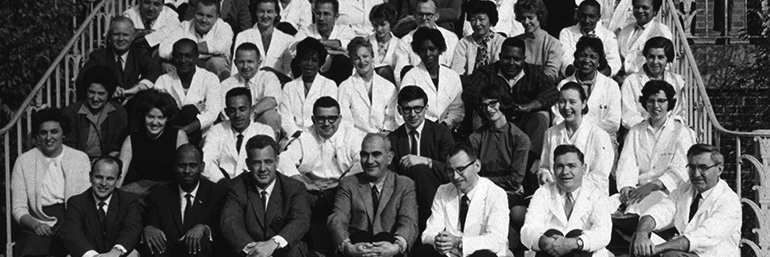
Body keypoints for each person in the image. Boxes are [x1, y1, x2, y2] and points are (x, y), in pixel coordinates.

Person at [463, 37, 559, 172]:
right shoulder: (487, 71)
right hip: (494, 122)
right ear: (500, 56)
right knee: (478, 114)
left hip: (523, 121)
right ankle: (485, 163)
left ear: (524, 58)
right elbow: (470, 94)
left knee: (542, 116)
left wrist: (530, 106)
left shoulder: (534, 72)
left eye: (517, 59)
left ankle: (526, 164)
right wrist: (497, 105)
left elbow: (552, 93)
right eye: (507, 58)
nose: (511, 63)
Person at [630, 144, 741, 257]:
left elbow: (699, 238)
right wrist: (642, 234)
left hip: (709, 254)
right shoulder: (686, 188)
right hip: (687, 251)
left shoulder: (729, 201)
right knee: (639, 242)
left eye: (703, 168)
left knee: (671, 255)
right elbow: (661, 211)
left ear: (719, 170)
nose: (696, 174)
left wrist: (656, 249)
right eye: (692, 168)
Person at [11, 108, 92, 257]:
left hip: (72, 218)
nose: (49, 137)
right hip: (38, 219)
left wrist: (71, 222)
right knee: (32, 247)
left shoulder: (80, 158)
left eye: (54, 131)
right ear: (37, 135)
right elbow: (18, 207)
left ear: (64, 133)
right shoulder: (24, 161)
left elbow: (86, 201)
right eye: (43, 132)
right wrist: (35, 225)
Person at [278, 97, 364, 231]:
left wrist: (340, 183)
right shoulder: (306, 136)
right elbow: (284, 160)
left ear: (340, 118)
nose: (326, 123)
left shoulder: (352, 135)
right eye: (321, 119)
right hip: (313, 190)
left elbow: (361, 162)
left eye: (332, 118)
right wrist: (305, 184)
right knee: (296, 197)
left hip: (343, 188)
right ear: (313, 119)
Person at [327, 133, 419, 257]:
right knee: (360, 236)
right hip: (358, 250)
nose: (370, 161)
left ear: (389, 158)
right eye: (365, 155)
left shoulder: (404, 184)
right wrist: (348, 246)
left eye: (376, 154)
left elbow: (409, 221)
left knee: (385, 237)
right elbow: (337, 218)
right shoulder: (349, 183)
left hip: (389, 251)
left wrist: (396, 247)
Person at [220, 135, 313, 257]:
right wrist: (256, 253)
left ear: (277, 161)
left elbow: (300, 221)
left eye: (268, 162)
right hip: (249, 251)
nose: (263, 169)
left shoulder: (294, 188)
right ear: (248, 164)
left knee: (296, 249)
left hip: (281, 250)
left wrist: (272, 244)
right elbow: (230, 223)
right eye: (256, 163)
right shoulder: (237, 187)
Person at [615, 80, 696, 214]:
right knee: (607, 206)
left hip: (667, 191)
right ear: (645, 103)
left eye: (661, 101)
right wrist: (626, 185)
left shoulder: (682, 132)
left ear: (669, 103)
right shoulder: (636, 131)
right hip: (637, 190)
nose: (655, 106)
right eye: (651, 101)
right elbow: (627, 161)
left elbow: (681, 168)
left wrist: (654, 185)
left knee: (639, 211)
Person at [467, 85, 531, 250]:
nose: (489, 109)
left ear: (502, 102)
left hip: (510, 196)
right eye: (484, 105)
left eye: (493, 103)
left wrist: (484, 181)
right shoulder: (475, 138)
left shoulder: (520, 139)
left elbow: (515, 181)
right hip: (482, 194)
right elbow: (471, 177)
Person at [419, 143, 510, 257]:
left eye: (461, 169)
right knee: (423, 251)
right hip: (450, 253)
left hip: (479, 253)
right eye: (450, 171)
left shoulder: (496, 193)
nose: (455, 177)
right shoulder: (443, 190)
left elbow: (496, 240)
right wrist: (440, 241)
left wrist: (459, 242)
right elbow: (428, 233)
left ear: (477, 166)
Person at [521, 145, 612, 257]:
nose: (565, 172)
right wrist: (543, 241)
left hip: (583, 254)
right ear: (553, 169)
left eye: (571, 166)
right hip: (550, 253)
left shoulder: (596, 193)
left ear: (584, 169)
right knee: (551, 234)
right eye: (560, 166)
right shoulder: (543, 192)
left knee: (576, 236)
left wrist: (574, 243)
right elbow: (527, 230)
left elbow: (603, 233)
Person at [142, 144, 229, 257]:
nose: (187, 171)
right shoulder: (158, 195)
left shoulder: (218, 194)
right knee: (154, 244)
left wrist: (204, 228)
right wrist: (148, 228)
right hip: (167, 252)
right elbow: (151, 226)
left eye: (192, 165)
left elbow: (223, 232)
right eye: (182, 165)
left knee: (200, 242)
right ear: (174, 166)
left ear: (202, 167)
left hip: (200, 253)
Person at [387, 86, 454, 230]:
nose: (413, 114)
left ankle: (433, 227)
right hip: (405, 198)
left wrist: (426, 161)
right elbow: (390, 177)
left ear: (426, 108)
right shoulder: (392, 139)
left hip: (436, 194)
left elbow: (451, 173)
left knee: (419, 170)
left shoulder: (441, 133)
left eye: (418, 108)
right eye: (407, 109)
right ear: (399, 110)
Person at [539, 83, 614, 194]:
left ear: (583, 104)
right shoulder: (551, 133)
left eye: (572, 102)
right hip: (555, 195)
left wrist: (568, 187)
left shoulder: (599, 135)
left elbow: (599, 177)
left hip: (588, 197)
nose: (566, 107)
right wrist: (544, 174)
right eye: (562, 102)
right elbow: (544, 166)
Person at [61, 157, 143, 257]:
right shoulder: (77, 202)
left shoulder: (128, 200)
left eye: (110, 178)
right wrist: (93, 256)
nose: (103, 183)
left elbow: (132, 230)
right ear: (90, 176)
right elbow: (72, 234)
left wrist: (114, 253)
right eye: (99, 177)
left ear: (118, 180)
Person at [154, 39, 223, 144]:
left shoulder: (210, 78)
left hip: (201, 135)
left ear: (197, 56)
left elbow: (212, 112)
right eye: (178, 56)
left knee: (189, 110)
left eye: (188, 56)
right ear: (173, 57)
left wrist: (186, 130)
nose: (183, 60)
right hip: (171, 133)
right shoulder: (163, 80)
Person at [554, 37, 621, 143]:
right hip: (569, 138)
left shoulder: (611, 86)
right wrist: (576, 135)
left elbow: (613, 122)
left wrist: (586, 134)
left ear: (599, 61)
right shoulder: (564, 84)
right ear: (576, 58)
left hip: (601, 140)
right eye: (582, 56)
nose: (586, 61)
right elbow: (558, 118)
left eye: (593, 57)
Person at [118, 90, 189, 191]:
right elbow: (120, 175)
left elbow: (185, 172)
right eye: (150, 117)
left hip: (168, 191)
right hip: (140, 191)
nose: (155, 122)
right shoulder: (131, 139)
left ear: (167, 118)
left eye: (160, 117)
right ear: (143, 116)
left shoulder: (178, 136)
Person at [202, 88, 276, 183]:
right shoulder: (217, 130)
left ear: (251, 109)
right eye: (232, 110)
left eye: (242, 109)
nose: (237, 115)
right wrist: (222, 181)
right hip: (224, 186)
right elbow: (205, 161)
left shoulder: (264, 130)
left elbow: (268, 164)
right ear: (226, 111)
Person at [79, 16, 161, 101]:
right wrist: (108, 87)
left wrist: (138, 87)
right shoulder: (98, 57)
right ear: (109, 36)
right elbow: (83, 78)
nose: (121, 39)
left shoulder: (139, 54)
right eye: (116, 34)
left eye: (125, 35)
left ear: (133, 36)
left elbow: (154, 71)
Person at [401, 27, 465, 129]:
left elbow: (458, 109)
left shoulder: (452, 76)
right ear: (417, 51)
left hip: (448, 130)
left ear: (440, 50)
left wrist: (445, 125)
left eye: (432, 49)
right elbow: (406, 110)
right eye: (423, 50)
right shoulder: (410, 77)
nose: (427, 54)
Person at [63, 65, 128, 159]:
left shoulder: (119, 113)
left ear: (109, 94)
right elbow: (69, 146)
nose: (95, 98)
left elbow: (117, 145)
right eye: (92, 92)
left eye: (101, 94)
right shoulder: (71, 112)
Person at [621, 37, 686, 129]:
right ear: (645, 57)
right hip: (640, 132)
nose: (655, 62)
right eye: (651, 57)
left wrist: (664, 128)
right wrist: (653, 126)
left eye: (660, 57)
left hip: (669, 132)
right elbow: (628, 117)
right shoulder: (631, 81)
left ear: (668, 59)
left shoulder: (677, 81)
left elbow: (679, 114)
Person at [160, 0, 234, 81]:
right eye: (200, 14)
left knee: (217, 62)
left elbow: (220, 46)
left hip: (212, 68)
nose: (204, 20)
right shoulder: (185, 26)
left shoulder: (224, 27)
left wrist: (186, 49)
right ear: (194, 12)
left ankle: (224, 92)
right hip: (189, 65)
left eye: (209, 16)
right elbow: (164, 50)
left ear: (217, 17)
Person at [279, 38, 338, 140]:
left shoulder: (329, 85)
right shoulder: (289, 87)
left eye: (314, 60)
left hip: (320, 138)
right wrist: (297, 136)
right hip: (293, 138)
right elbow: (285, 118)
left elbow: (328, 117)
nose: (309, 64)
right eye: (305, 59)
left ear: (320, 63)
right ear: (299, 61)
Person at [338, 37, 399, 134]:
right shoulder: (345, 87)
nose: (362, 61)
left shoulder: (389, 87)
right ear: (352, 61)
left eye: (365, 56)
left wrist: (385, 133)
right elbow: (345, 121)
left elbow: (391, 117)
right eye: (357, 58)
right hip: (355, 141)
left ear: (372, 56)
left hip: (383, 137)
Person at [220, 43, 284, 133]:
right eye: (241, 62)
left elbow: (272, 100)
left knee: (270, 116)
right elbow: (225, 114)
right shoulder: (226, 84)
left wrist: (250, 114)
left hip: (261, 125)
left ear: (259, 63)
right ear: (235, 63)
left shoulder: (268, 77)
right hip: (236, 128)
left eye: (250, 62)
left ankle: (270, 145)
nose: (245, 66)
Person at [292, 0, 357, 85]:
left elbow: (351, 49)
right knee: (297, 61)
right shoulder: (307, 30)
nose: (321, 18)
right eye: (318, 14)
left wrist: (316, 45)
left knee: (342, 61)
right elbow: (293, 50)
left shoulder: (345, 30)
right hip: (312, 77)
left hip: (338, 77)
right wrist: (334, 51)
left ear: (336, 16)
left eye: (326, 14)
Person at [393, 0, 458, 84]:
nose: (424, 18)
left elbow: (455, 71)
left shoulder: (451, 38)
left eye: (428, 15)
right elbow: (400, 73)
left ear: (436, 16)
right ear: (415, 15)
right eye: (420, 14)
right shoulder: (405, 42)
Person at [558, 0, 621, 77]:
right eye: (583, 16)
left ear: (599, 17)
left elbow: (614, 62)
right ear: (577, 15)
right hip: (573, 78)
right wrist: (578, 77)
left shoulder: (608, 35)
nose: (587, 20)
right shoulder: (567, 33)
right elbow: (566, 58)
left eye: (591, 16)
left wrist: (596, 78)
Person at [232, 0, 295, 75]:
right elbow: (235, 70)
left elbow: (289, 74)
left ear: (276, 13)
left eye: (269, 12)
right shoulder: (243, 36)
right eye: (261, 11)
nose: (265, 16)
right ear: (256, 13)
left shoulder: (287, 40)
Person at [617, 0, 672, 76]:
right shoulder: (625, 30)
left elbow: (665, 64)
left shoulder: (661, 31)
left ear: (655, 11)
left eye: (645, 7)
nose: (640, 11)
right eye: (636, 7)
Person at [451, 1, 507, 76]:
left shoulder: (500, 42)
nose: (477, 24)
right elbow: (457, 71)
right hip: (469, 85)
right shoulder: (464, 43)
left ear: (490, 20)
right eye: (473, 19)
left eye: (481, 19)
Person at [513, 0, 563, 84]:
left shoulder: (552, 43)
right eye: (523, 18)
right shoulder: (515, 41)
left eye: (530, 17)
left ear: (539, 16)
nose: (526, 22)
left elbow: (551, 75)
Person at [368, 3, 401, 83]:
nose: (379, 29)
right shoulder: (366, 42)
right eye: (376, 25)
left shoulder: (399, 44)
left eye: (383, 25)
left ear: (391, 23)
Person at [459, 0, 524, 39]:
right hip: (477, 41)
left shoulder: (514, 2)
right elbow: (467, 30)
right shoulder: (476, 2)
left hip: (506, 44)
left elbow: (518, 31)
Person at [185, 0, 252, 33]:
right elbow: (187, 24)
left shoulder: (240, 1)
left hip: (226, 41)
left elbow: (246, 30)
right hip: (197, 37)